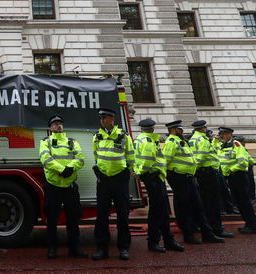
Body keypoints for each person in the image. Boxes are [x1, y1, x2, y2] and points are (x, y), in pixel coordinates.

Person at [162, 120, 224, 246]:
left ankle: (207, 234)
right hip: (179, 178)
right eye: (180, 129)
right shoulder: (171, 142)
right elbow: (165, 161)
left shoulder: (182, 141)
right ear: (173, 130)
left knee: (198, 206)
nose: (182, 131)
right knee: (185, 206)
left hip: (189, 177)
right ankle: (188, 235)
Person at [39, 115, 87, 259]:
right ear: (50, 128)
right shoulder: (45, 142)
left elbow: (80, 158)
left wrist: (70, 169)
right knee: (52, 219)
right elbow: (45, 159)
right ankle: (52, 248)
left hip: (69, 185)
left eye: (60, 123)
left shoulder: (72, 142)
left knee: (73, 219)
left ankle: (74, 248)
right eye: (55, 124)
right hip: (53, 185)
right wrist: (62, 170)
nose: (58, 126)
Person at [133, 119, 184, 253]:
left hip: (154, 178)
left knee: (162, 211)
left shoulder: (140, 139)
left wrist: (139, 172)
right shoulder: (148, 141)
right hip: (154, 178)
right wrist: (140, 172)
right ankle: (155, 241)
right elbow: (148, 161)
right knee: (157, 212)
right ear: (152, 129)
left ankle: (167, 239)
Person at [91, 107, 134, 261]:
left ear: (112, 119)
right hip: (104, 180)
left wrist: (130, 171)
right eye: (101, 118)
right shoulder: (96, 137)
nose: (102, 121)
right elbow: (96, 156)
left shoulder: (123, 136)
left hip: (119, 179)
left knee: (122, 214)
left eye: (105, 118)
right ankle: (102, 248)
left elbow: (130, 156)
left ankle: (123, 248)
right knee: (102, 215)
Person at [190, 121, 233, 239]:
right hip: (208, 174)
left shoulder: (194, 139)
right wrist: (195, 168)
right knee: (213, 203)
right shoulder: (202, 140)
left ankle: (211, 229)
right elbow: (201, 156)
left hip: (202, 174)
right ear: (203, 128)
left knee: (207, 203)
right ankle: (217, 229)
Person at [218, 127, 256, 234]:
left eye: (223, 134)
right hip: (230, 177)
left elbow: (242, 162)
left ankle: (252, 226)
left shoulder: (236, 144)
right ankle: (248, 224)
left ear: (229, 134)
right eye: (220, 134)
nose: (221, 136)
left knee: (244, 202)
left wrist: (232, 169)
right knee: (239, 202)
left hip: (238, 176)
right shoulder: (224, 145)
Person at [235, 136, 256, 203]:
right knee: (246, 185)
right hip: (244, 169)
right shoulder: (239, 149)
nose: (244, 142)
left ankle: (252, 197)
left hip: (248, 168)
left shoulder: (242, 149)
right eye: (243, 141)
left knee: (250, 183)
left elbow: (248, 157)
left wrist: (253, 162)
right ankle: (249, 199)